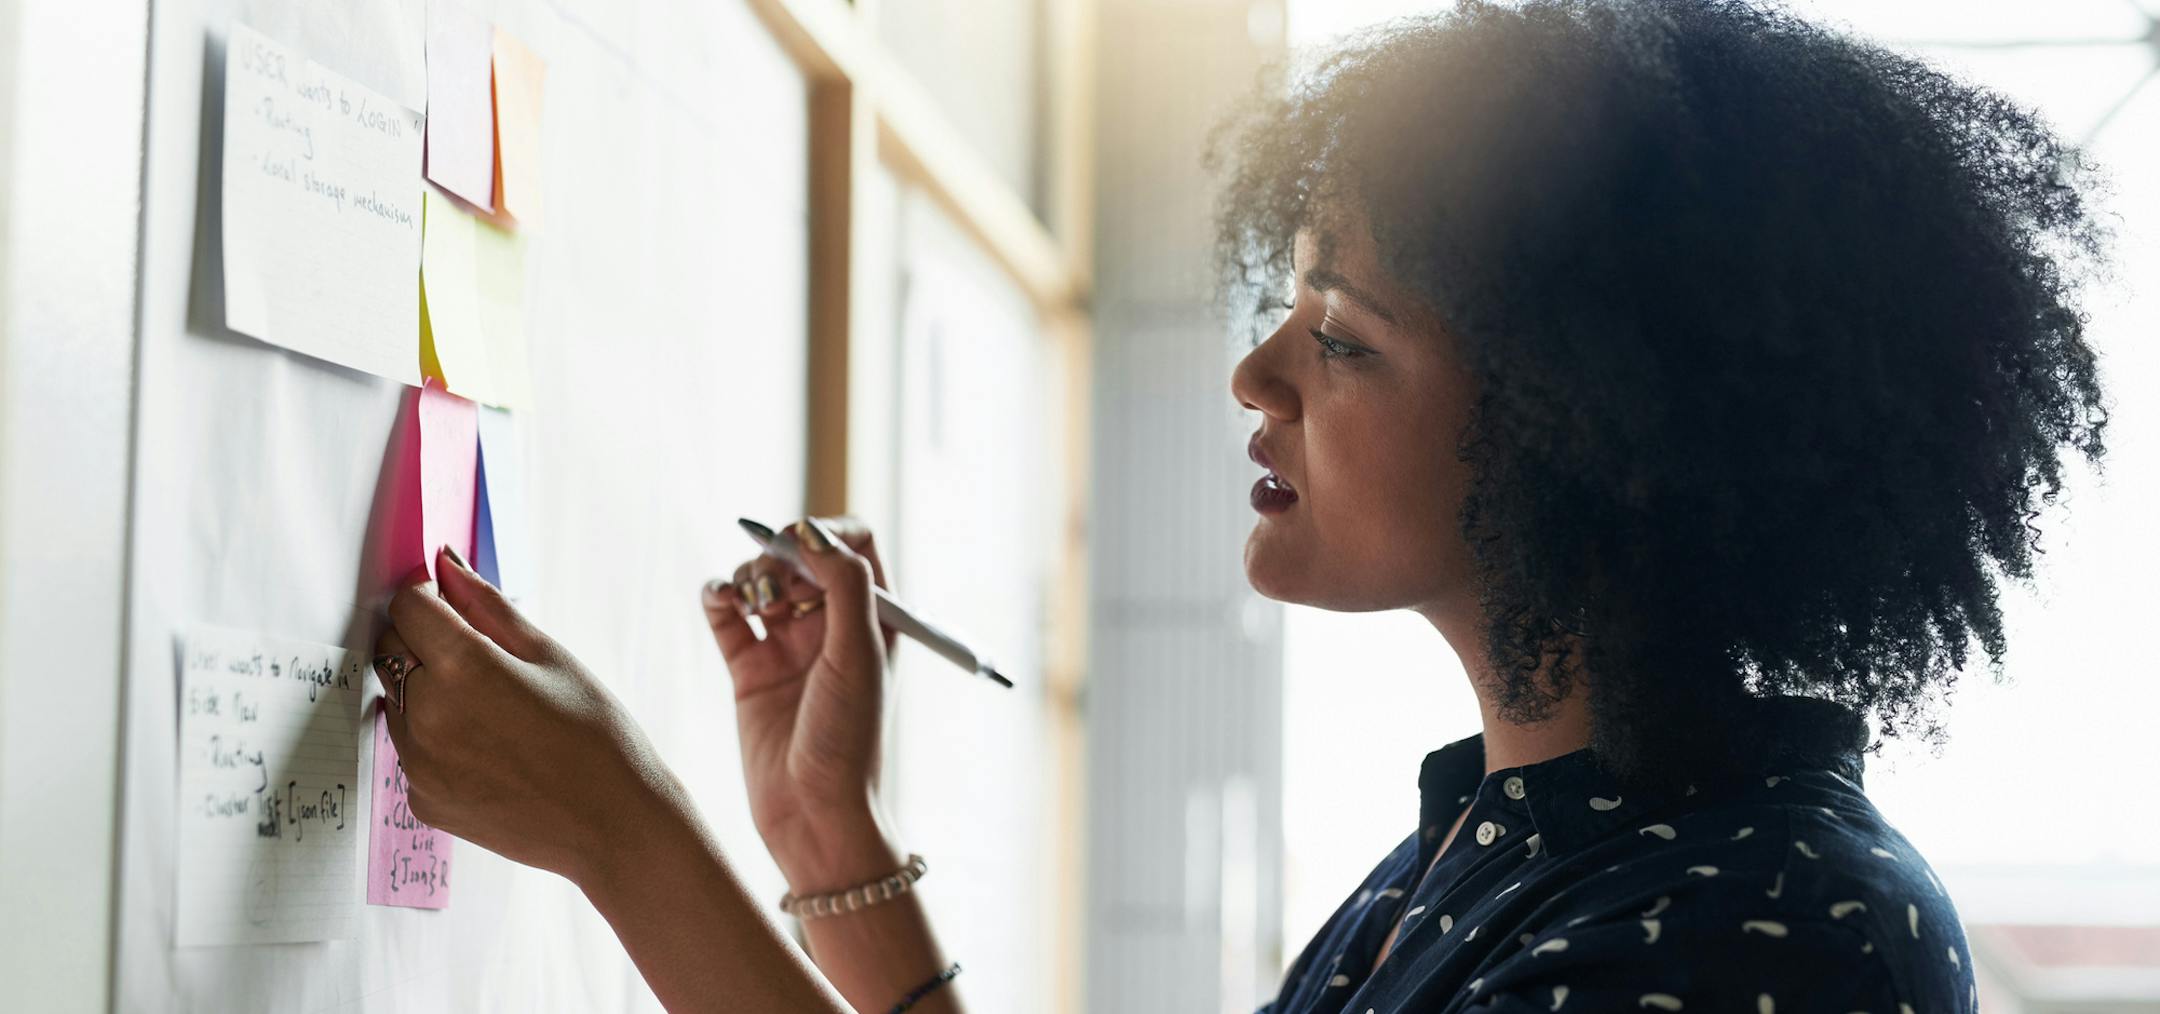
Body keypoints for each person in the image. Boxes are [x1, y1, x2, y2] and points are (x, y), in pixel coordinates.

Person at [369, 0, 2115, 1010]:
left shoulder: (1771, 931)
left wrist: (625, 834)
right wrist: (834, 845)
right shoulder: (1510, 842)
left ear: (1593, 431)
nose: (1255, 374)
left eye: (1342, 336)